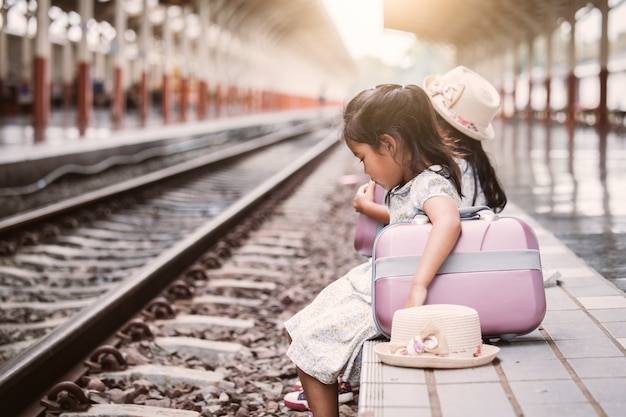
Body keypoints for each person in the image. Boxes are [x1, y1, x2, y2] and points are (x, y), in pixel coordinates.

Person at [283, 84, 465, 417]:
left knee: (310, 341)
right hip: (382, 281)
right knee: (302, 327)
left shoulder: (429, 182)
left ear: (389, 144)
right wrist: (370, 208)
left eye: (363, 157)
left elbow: (448, 222)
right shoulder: (416, 182)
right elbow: (409, 221)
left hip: (397, 289)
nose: (364, 169)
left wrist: (419, 285)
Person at [353, 66, 507, 229]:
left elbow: (440, 218)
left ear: (442, 127)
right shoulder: (474, 164)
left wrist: (368, 208)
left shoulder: (452, 166)